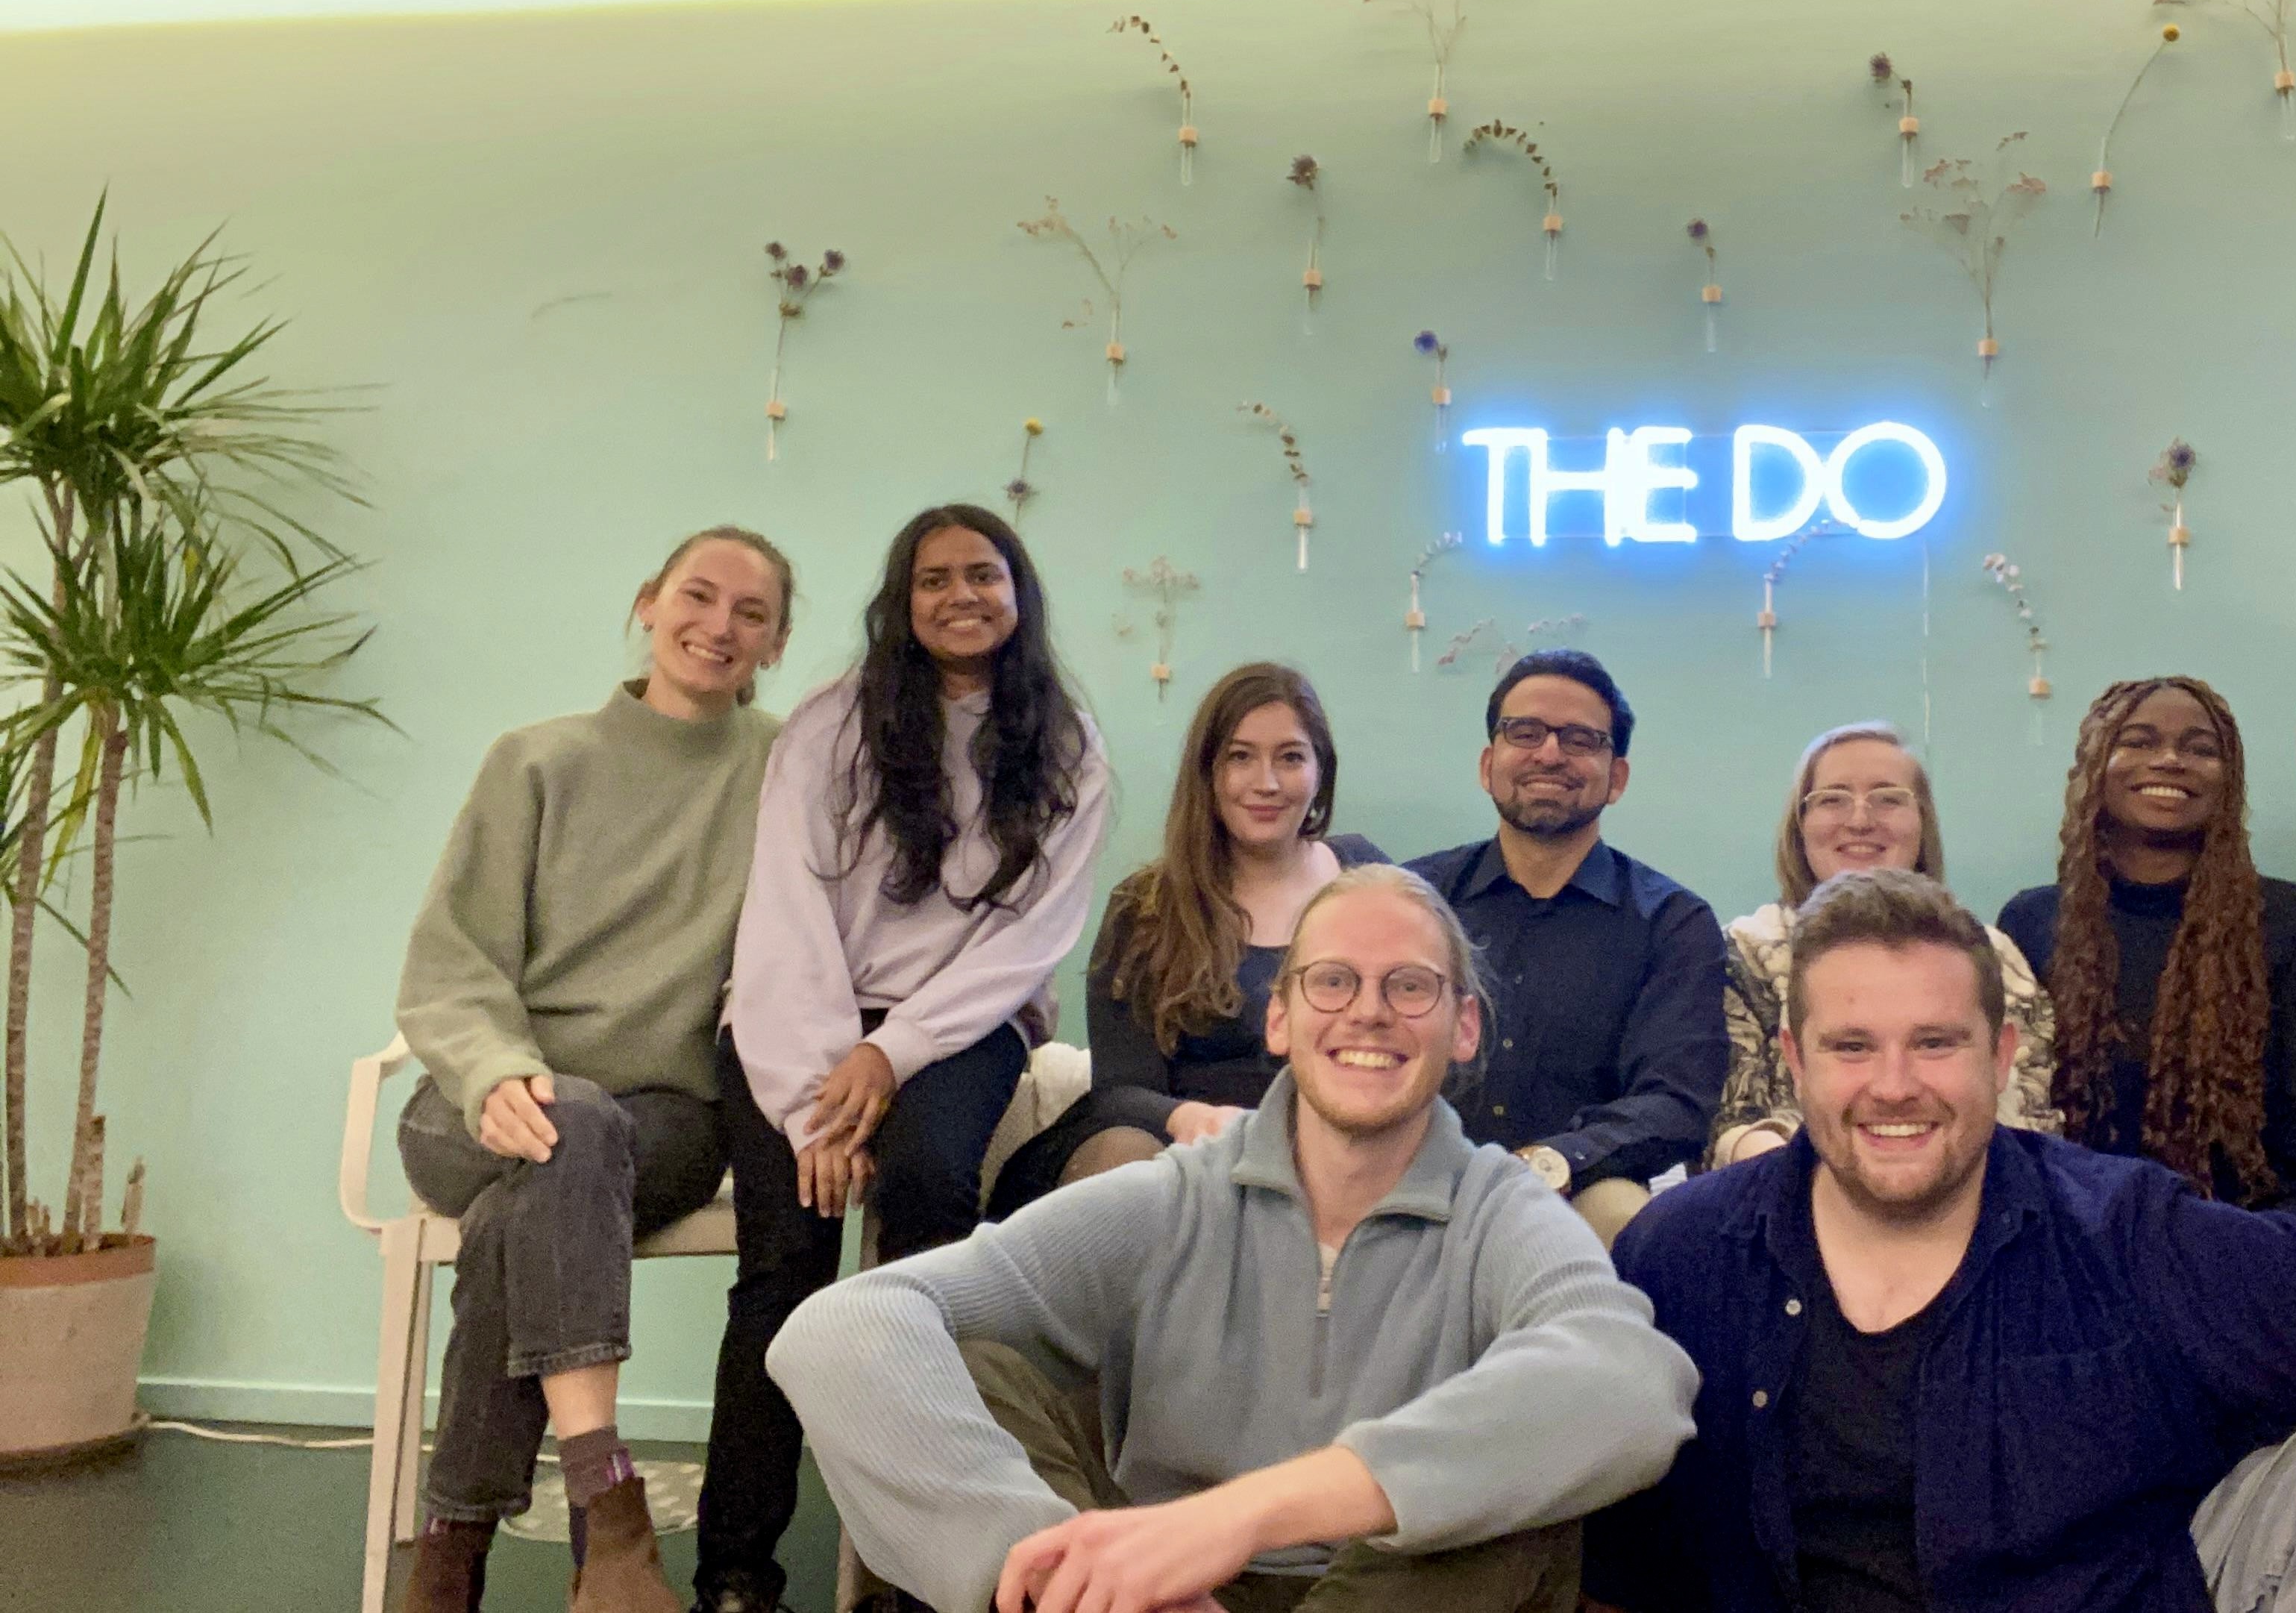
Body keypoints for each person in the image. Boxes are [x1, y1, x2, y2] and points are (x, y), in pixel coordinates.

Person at [1586, 868, 2296, 1613]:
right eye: (1853, 1047)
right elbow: (1617, 1563)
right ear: (1795, 1063)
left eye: (1935, 1043)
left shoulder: (2123, 1230)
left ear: (2001, 1055)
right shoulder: (1682, 1255)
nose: (1894, 1086)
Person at [766, 864, 1702, 1613]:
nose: (1368, 1010)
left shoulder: (1503, 1213)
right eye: (1333, 980)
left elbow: (1633, 1379)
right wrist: (1059, 1563)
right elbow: (842, 1326)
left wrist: (1244, 1515)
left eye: (1410, 986)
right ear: (1280, 1017)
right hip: (1159, 1591)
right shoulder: (1173, 1200)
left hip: (1392, 1584)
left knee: (1516, 1494)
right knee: (964, 1357)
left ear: (1463, 1027)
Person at [695, 504, 1112, 1613]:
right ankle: (735, 1578)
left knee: (927, 1220)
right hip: (797, 1017)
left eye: (984, 575)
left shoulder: (1067, 746)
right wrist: (813, 1102)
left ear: (1018, 594)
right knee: (786, 1264)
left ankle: (915, 1577)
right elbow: (785, 919)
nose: (960, 596)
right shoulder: (830, 726)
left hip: (959, 1025)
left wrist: (892, 1053)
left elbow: (1026, 942)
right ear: (903, 600)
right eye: (934, 579)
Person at [392, 527, 794, 1613]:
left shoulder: (789, 773)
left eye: (751, 613)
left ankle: (452, 1547)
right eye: (697, 595)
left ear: (775, 643)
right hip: (477, 1101)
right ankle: (606, 1510)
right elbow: (452, 961)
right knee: (555, 1148)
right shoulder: (536, 760)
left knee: (547, 1177)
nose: (718, 625)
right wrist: (495, 1071)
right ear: (648, 602)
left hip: (662, 1118)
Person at [1998, 678, 2296, 1244]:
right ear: (2094, 766)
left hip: (2256, 1222)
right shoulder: (2030, 923)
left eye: (2200, 748)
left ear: (2228, 778)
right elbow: (2016, 1121)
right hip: (2082, 1226)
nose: (2170, 760)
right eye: (2138, 741)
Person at [989, 662, 1385, 1212]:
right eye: (1240, 757)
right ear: (1208, 773)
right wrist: (1191, 1118)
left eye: (1291, 757)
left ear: (1321, 771)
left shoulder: (1370, 882)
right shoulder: (1146, 907)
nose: (1267, 782)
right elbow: (1119, 1092)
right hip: (1167, 1150)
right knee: (1131, 1166)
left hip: (1321, 1161)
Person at [1405, 650, 1728, 1245]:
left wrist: (1548, 1163)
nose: (1550, 754)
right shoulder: (1413, 902)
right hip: (1411, 1174)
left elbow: (1675, 1102)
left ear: (1617, 778)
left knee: (1624, 1214)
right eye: (1525, 732)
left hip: (1574, 1194)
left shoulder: (1671, 923)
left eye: (1580, 739)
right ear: (1488, 764)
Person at [1709, 720, 2053, 1168]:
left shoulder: (1994, 956)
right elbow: (1730, 1125)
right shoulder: (1744, 953)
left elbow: (2029, 1120)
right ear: (1800, 824)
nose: (1859, 821)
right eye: (1832, 799)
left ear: (1922, 822)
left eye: (1888, 799)